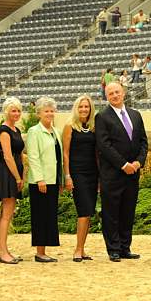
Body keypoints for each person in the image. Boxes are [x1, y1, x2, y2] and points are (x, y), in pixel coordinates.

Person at [95, 82, 148, 262]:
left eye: (117, 92)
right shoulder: (102, 117)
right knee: (111, 213)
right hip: (113, 174)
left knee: (128, 212)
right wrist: (123, 164)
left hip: (133, 173)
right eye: (111, 93)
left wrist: (139, 162)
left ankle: (125, 247)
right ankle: (114, 249)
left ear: (123, 93)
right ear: (107, 96)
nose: (115, 95)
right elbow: (104, 145)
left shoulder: (136, 115)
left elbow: (143, 142)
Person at [26, 97, 62, 263]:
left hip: (53, 180)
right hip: (40, 182)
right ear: (39, 113)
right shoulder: (34, 131)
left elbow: (59, 157)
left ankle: (44, 250)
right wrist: (40, 179)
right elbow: (33, 157)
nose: (49, 113)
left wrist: (59, 179)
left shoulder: (56, 131)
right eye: (46, 111)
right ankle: (40, 253)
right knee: (41, 216)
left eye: (51, 110)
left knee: (49, 215)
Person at [63, 95, 98, 262]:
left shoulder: (93, 127)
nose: (84, 109)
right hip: (77, 174)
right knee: (83, 211)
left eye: (87, 107)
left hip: (93, 174)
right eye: (81, 107)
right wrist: (67, 175)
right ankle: (77, 250)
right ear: (76, 108)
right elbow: (66, 153)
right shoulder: (70, 126)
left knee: (89, 211)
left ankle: (82, 249)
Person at [0, 97, 26, 264]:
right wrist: (18, 176)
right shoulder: (4, 131)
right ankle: (3, 252)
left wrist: (23, 173)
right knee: (6, 213)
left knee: (8, 213)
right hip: (8, 173)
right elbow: (7, 156)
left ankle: (5, 250)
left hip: (15, 172)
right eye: (13, 110)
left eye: (19, 110)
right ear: (6, 111)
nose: (17, 113)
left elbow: (20, 154)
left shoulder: (16, 130)